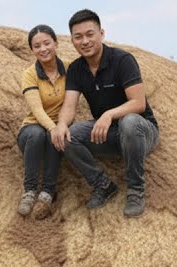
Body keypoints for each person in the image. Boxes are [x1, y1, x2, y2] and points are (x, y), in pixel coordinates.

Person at [50, 9, 159, 217]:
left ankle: (135, 190)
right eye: (78, 37)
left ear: (101, 33)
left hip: (141, 132)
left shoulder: (122, 60)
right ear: (72, 40)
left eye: (90, 34)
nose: (85, 41)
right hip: (110, 135)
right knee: (68, 135)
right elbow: (69, 106)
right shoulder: (76, 69)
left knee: (129, 122)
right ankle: (103, 185)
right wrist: (61, 124)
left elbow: (138, 103)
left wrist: (108, 115)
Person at [16, 24, 66, 220]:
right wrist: (53, 127)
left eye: (47, 43)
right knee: (39, 133)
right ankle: (29, 191)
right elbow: (36, 110)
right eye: (37, 46)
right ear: (32, 50)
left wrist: (58, 127)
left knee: (53, 136)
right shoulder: (30, 74)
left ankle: (48, 191)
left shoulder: (69, 68)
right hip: (32, 129)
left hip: (58, 126)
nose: (43, 49)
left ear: (56, 43)